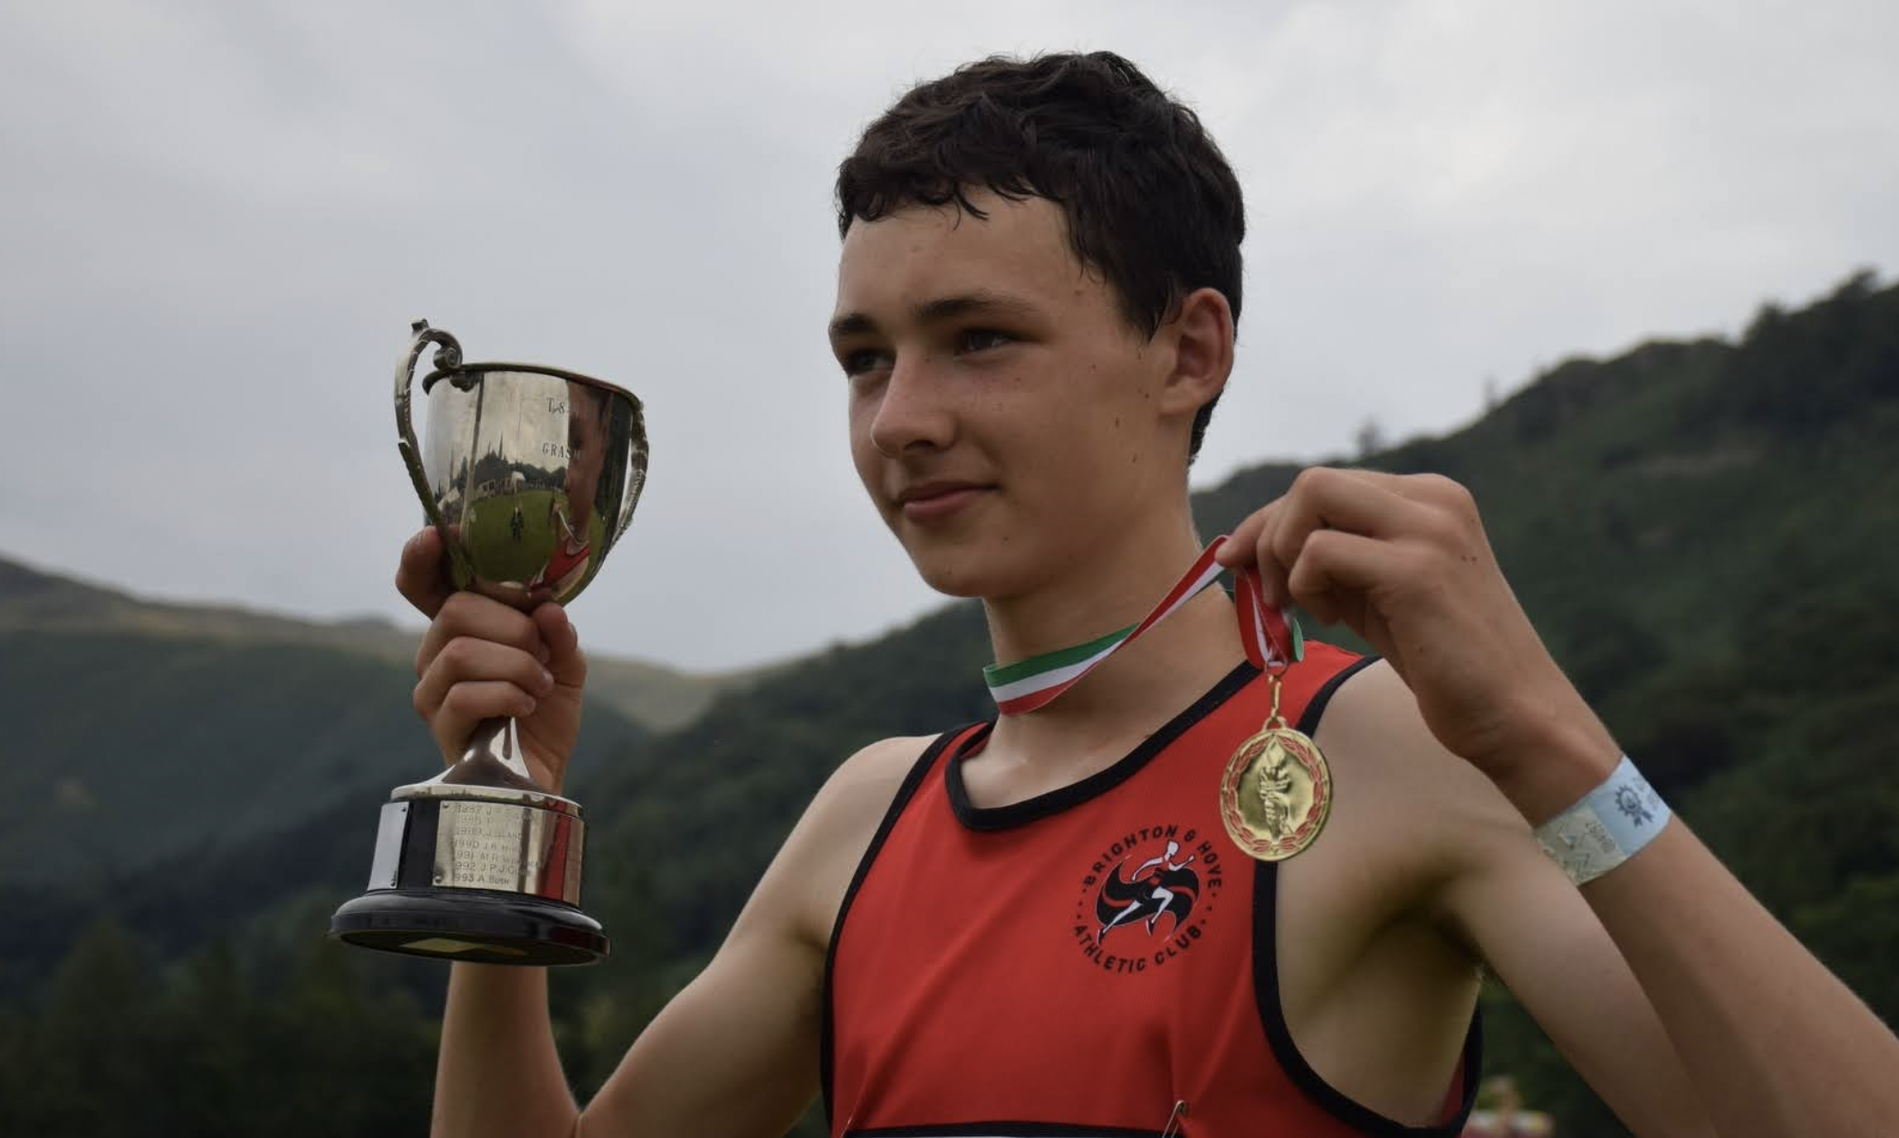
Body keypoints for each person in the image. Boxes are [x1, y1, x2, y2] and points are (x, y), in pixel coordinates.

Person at [397, 52, 1899, 1138]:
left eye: (975, 337)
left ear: (1189, 351)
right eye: (863, 357)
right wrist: (504, 839)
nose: (900, 416)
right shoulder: (866, 820)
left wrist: (1546, 736)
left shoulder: (1385, 755)